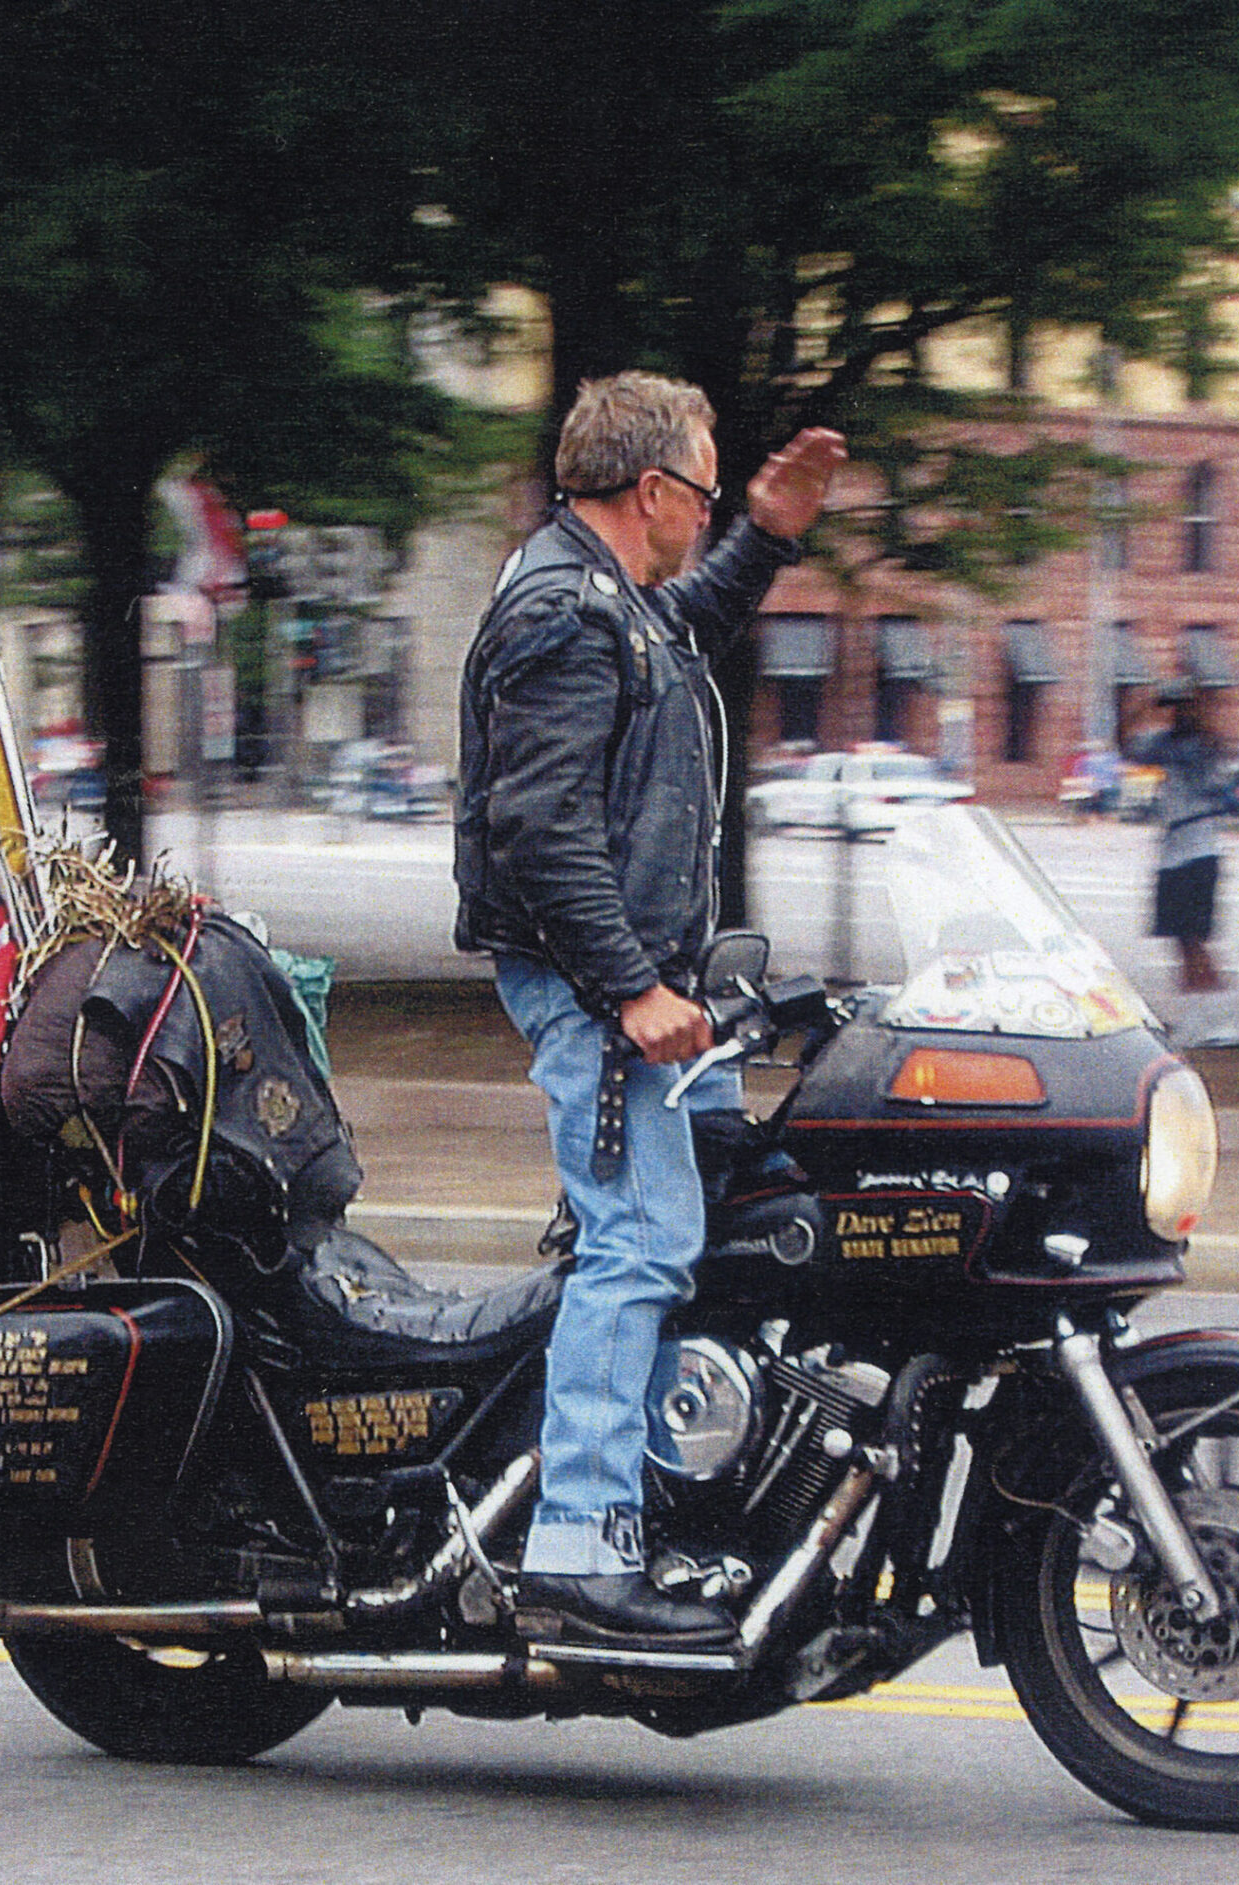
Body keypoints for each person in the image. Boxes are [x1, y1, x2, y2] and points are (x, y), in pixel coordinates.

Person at [453, 371, 845, 1648]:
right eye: (712, 483)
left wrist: (770, 534)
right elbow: (539, 824)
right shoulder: (565, 614)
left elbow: (694, 614)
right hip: (598, 989)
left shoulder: (609, 602)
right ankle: (577, 1542)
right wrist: (629, 989)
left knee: (722, 1230)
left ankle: (694, 1493)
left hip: (655, 988)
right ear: (657, 490)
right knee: (641, 1241)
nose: (715, 501)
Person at [1126, 680, 1238, 1034]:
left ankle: (1219, 1020)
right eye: (1176, 706)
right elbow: (1126, 745)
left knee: (1193, 940)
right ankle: (1200, 1016)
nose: (1179, 713)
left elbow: (1213, 754)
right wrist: (1146, 705)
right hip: (1175, 852)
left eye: (1184, 706)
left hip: (1198, 850)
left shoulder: (1205, 746)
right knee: (1180, 941)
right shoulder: (1165, 743)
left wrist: (1187, 706)